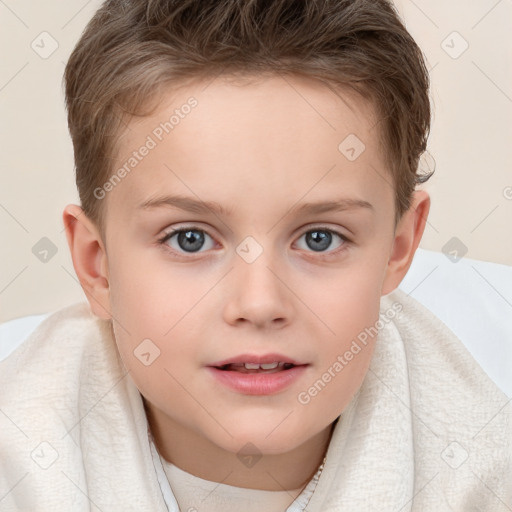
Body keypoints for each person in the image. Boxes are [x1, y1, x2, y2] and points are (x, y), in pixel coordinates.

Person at [0, 0, 510, 510]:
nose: (260, 302)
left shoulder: (481, 469)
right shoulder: (21, 457)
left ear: (399, 248)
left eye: (319, 238)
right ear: (98, 265)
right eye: (190, 239)